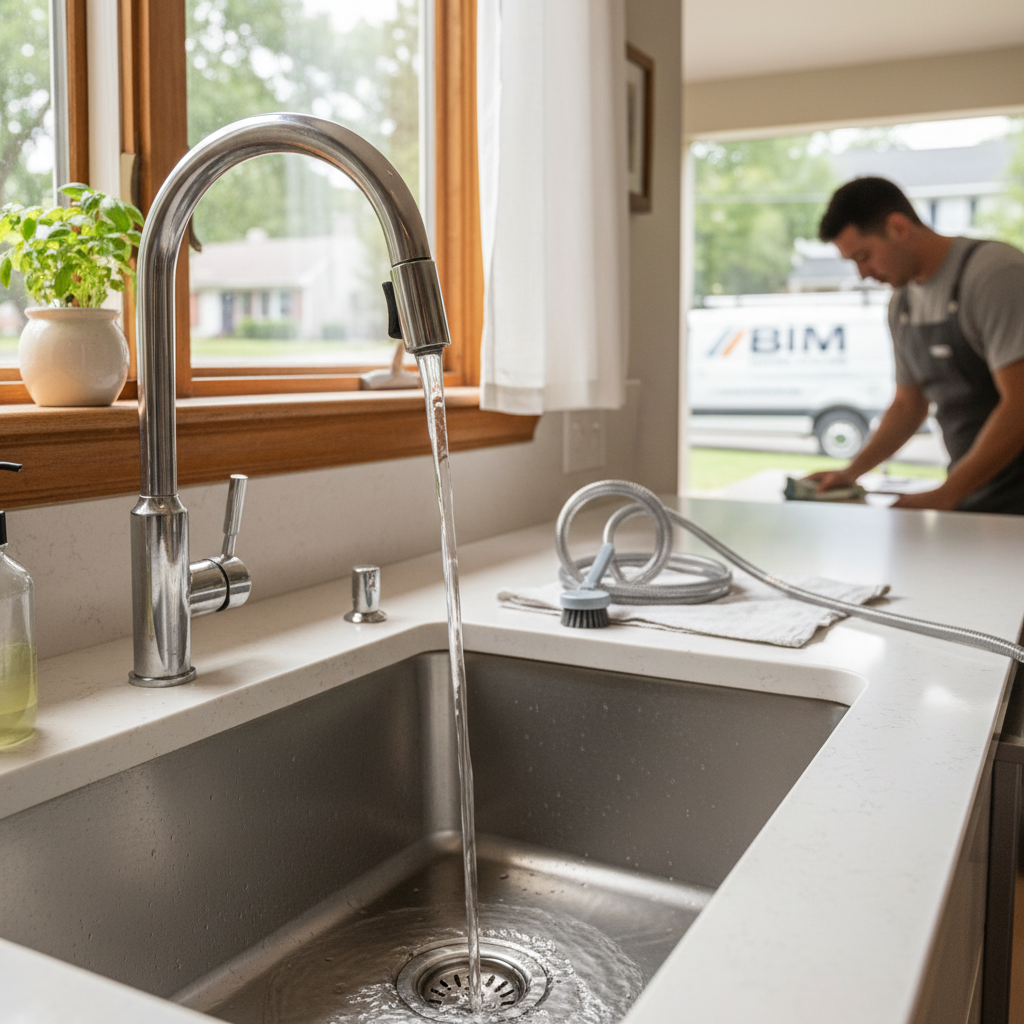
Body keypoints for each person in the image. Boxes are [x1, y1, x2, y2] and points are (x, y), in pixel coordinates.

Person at [806, 176, 1024, 514]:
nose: (863, 273)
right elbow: (909, 406)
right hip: (976, 496)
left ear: (898, 228)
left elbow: (1020, 405)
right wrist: (850, 472)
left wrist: (946, 494)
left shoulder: (994, 274)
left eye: (864, 256)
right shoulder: (902, 304)